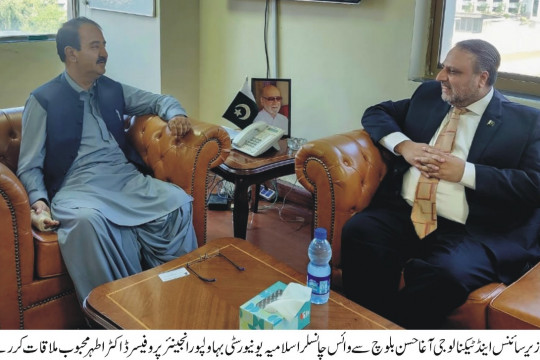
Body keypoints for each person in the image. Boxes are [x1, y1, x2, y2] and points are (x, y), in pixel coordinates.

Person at [341, 39, 540, 329]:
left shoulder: (527, 123)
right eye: (442, 68)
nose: (440, 78)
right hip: (407, 210)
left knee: (446, 274)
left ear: (482, 78)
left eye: (453, 71)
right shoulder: (430, 95)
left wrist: (464, 172)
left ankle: (395, 331)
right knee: (360, 231)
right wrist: (404, 145)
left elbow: (534, 186)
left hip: (475, 228)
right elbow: (376, 113)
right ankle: (364, 321)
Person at [17, 17, 198, 302]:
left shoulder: (111, 89)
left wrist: (176, 114)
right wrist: (38, 202)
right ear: (71, 54)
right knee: (86, 222)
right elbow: (29, 165)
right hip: (77, 187)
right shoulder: (43, 100)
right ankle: (118, 309)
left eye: (104, 45)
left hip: (125, 179)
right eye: (95, 45)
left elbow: (159, 100)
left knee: (176, 203)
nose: (104, 53)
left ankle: (177, 295)